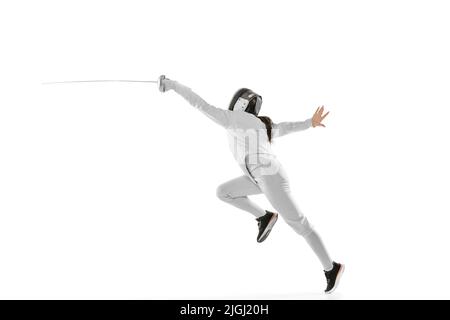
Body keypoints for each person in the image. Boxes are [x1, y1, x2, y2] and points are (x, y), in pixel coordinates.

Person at [158, 76, 344, 294]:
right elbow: (286, 127)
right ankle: (265, 216)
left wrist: (172, 85)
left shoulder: (234, 119)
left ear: (241, 104)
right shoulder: (261, 124)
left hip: (268, 177)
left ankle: (332, 268)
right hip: (262, 176)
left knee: (300, 225)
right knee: (224, 192)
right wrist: (309, 123)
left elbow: (199, 103)